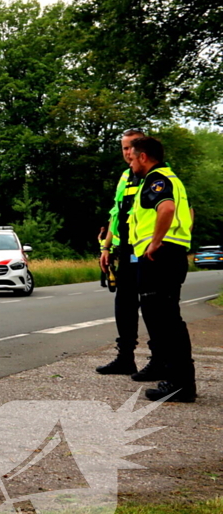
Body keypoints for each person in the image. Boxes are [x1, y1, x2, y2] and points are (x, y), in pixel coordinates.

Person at [127, 136, 197, 402]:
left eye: (132, 157)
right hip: (171, 253)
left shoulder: (157, 179)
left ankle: (180, 384)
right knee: (166, 318)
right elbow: (187, 214)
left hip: (160, 256)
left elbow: (166, 209)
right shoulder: (171, 179)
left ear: (143, 156)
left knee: (165, 320)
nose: (131, 163)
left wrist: (156, 242)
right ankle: (177, 379)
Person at [96, 129, 161, 379]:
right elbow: (116, 214)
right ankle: (125, 358)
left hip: (146, 252)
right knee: (124, 305)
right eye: (123, 148)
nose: (127, 153)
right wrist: (107, 247)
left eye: (131, 148)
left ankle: (158, 360)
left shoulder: (153, 175)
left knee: (153, 307)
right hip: (125, 251)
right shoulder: (125, 176)